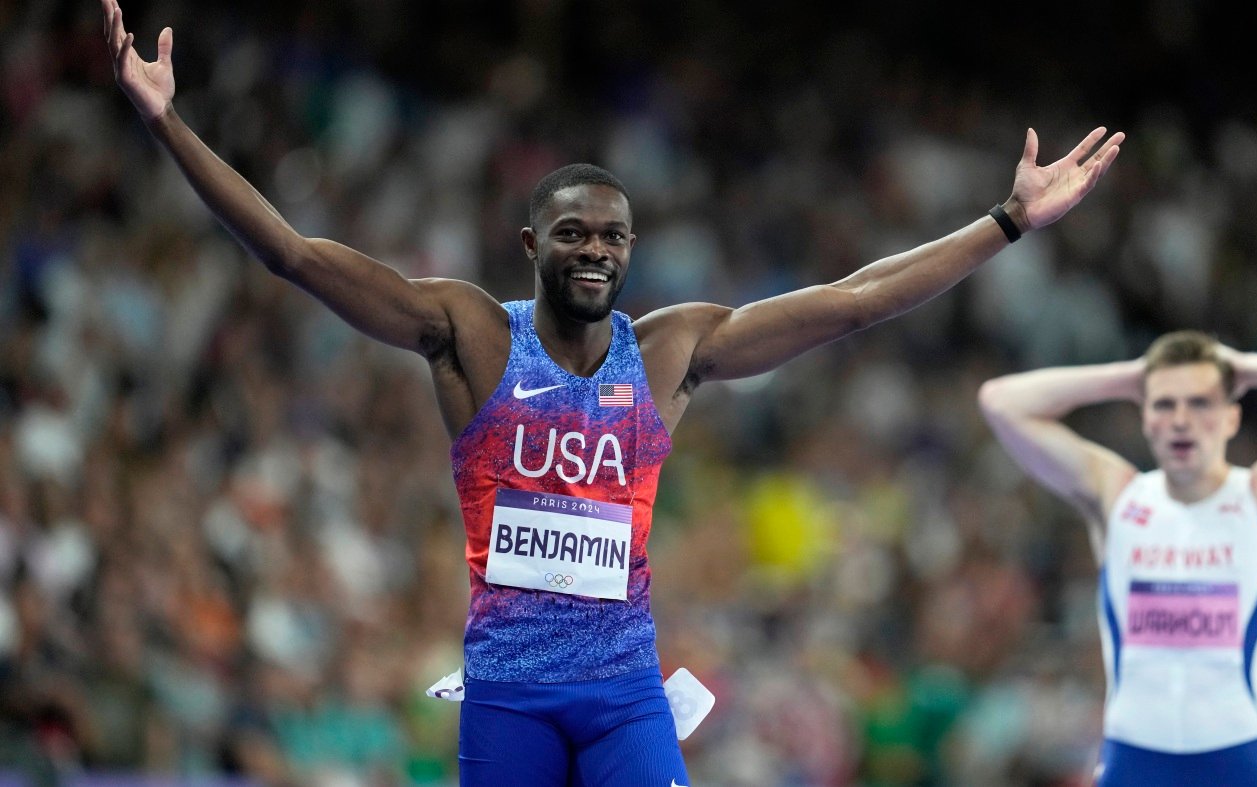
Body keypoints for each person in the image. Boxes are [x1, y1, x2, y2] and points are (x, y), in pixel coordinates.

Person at [100, 1, 1123, 783]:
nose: (594, 249)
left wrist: (1003, 221)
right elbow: (288, 254)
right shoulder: (466, 332)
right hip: (507, 693)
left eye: (612, 236)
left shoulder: (670, 351)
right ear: (531, 243)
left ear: (631, 251)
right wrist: (167, 123)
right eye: (573, 232)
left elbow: (851, 302)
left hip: (624, 693)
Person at [978, 331, 1257, 786]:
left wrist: (1242, 367)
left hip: (1234, 761)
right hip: (1134, 760)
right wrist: (1131, 377)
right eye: (1163, 404)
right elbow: (1001, 402)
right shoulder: (1116, 494)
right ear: (1144, 418)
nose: (1181, 420)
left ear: (1231, 417)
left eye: (1200, 403)